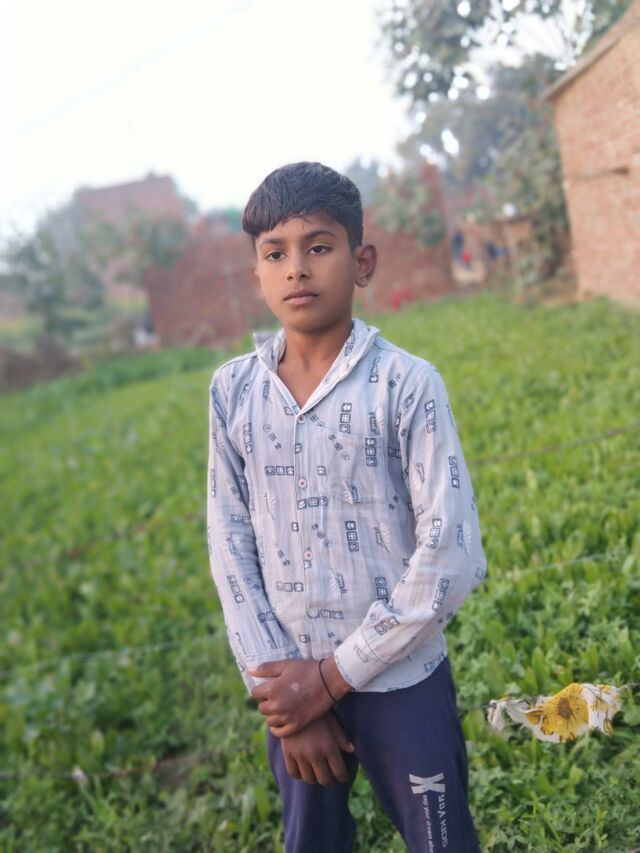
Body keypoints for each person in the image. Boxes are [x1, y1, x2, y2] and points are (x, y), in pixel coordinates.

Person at [206, 161, 488, 852]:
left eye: (318, 246)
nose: (297, 268)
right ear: (257, 274)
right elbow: (229, 546)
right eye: (276, 253)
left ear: (362, 262)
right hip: (288, 686)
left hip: (401, 679)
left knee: (441, 839)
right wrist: (288, 700)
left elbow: (451, 554)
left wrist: (329, 680)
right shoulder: (233, 392)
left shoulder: (407, 384)